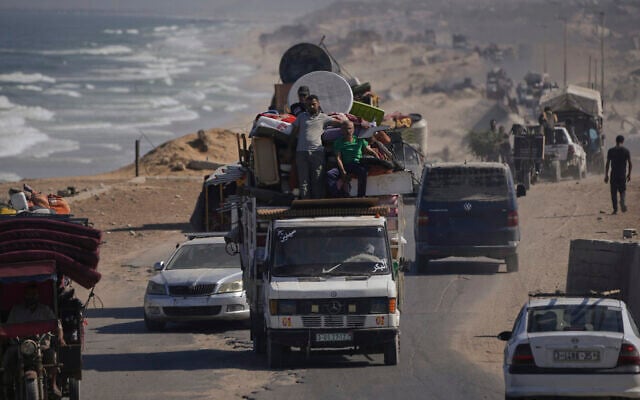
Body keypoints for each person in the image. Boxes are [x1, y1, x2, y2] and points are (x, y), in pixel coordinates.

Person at [2, 284, 65, 397]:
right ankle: (8, 387)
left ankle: (52, 384)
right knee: (7, 357)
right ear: (24, 295)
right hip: (19, 346)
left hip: (41, 345)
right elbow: (8, 328)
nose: (32, 297)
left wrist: (60, 338)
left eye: (34, 294)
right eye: (29, 294)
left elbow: (57, 325)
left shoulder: (45, 310)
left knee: (52, 356)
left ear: (38, 295)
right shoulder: (16, 310)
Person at [288, 94, 336, 199]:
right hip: (301, 153)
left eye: (314, 104)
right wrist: (289, 148)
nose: (312, 107)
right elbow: (293, 132)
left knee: (317, 178)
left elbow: (339, 123)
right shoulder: (301, 117)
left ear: (318, 104)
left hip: (317, 152)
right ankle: (306, 203)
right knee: (303, 180)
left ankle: (317, 203)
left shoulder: (324, 118)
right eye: (309, 105)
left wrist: (356, 122)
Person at [326, 120, 376, 198]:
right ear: (341, 130)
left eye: (349, 128)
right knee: (330, 174)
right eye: (345, 129)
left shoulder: (359, 140)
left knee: (363, 171)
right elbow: (338, 158)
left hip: (357, 164)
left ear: (353, 130)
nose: (347, 131)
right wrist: (343, 172)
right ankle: (338, 196)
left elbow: (368, 150)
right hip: (345, 165)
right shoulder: (338, 142)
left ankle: (361, 196)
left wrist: (377, 156)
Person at [605, 135, 632, 214]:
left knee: (613, 192)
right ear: (622, 141)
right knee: (622, 190)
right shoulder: (626, 151)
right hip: (622, 174)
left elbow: (607, 163)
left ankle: (615, 209)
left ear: (616, 141)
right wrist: (629, 174)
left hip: (613, 174)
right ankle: (622, 201)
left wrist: (606, 175)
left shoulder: (611, 151)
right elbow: (630, 163)